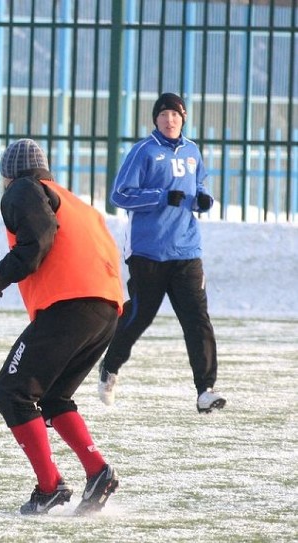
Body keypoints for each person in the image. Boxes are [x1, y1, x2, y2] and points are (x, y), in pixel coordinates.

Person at [0, 138, 124, 515]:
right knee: (52, 397)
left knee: (11, 392)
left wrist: (4, 274)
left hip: (71, 305)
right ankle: (98, 471)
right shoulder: (75, 201)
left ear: (10, 174)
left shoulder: (23, 189)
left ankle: (50, 487)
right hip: (106, 307)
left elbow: (39, 236)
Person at [97, 92, 226, 414]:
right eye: (164, 114)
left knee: (197, 320)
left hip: (186, 251)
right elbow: (119, 195)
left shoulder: (193, 151)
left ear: (184, 119)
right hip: (148, 252)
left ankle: (205, 390)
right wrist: (160, 196)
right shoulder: (143, 151)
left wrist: (203, 199)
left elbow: (200, 187)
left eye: (176, 114)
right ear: (155, 119)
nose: (170, 120)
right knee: (140, 316)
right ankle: (110, 366)